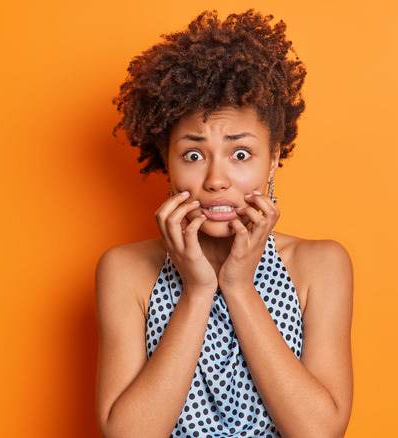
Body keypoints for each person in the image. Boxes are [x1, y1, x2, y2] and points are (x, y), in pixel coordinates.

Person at [95, 10, 353, 438]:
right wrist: (197, 291)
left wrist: (237, 285)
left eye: (240, 154)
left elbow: (319, 433)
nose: (215, 180)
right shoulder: (125, 271)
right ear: (168, 165)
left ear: (272, 160)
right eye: (194, 155)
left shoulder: (320, 265)